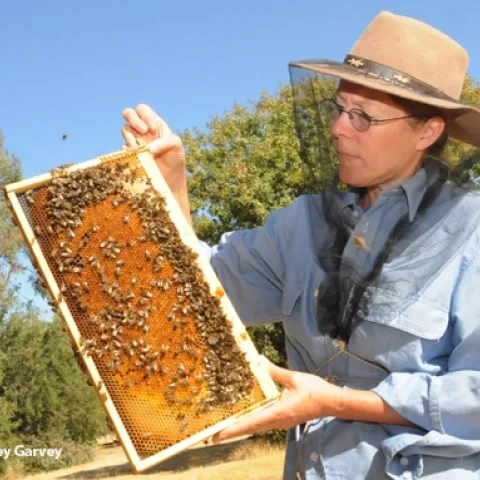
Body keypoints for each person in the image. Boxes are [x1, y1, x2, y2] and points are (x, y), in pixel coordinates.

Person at [121, 11, 480, 480]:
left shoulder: (471, 229)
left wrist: (337, 402)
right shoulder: (300, 224)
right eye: (339, 108)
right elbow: (199, 299)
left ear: (427, 132)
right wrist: (171, 187)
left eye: (364, 117)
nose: (338, 128)